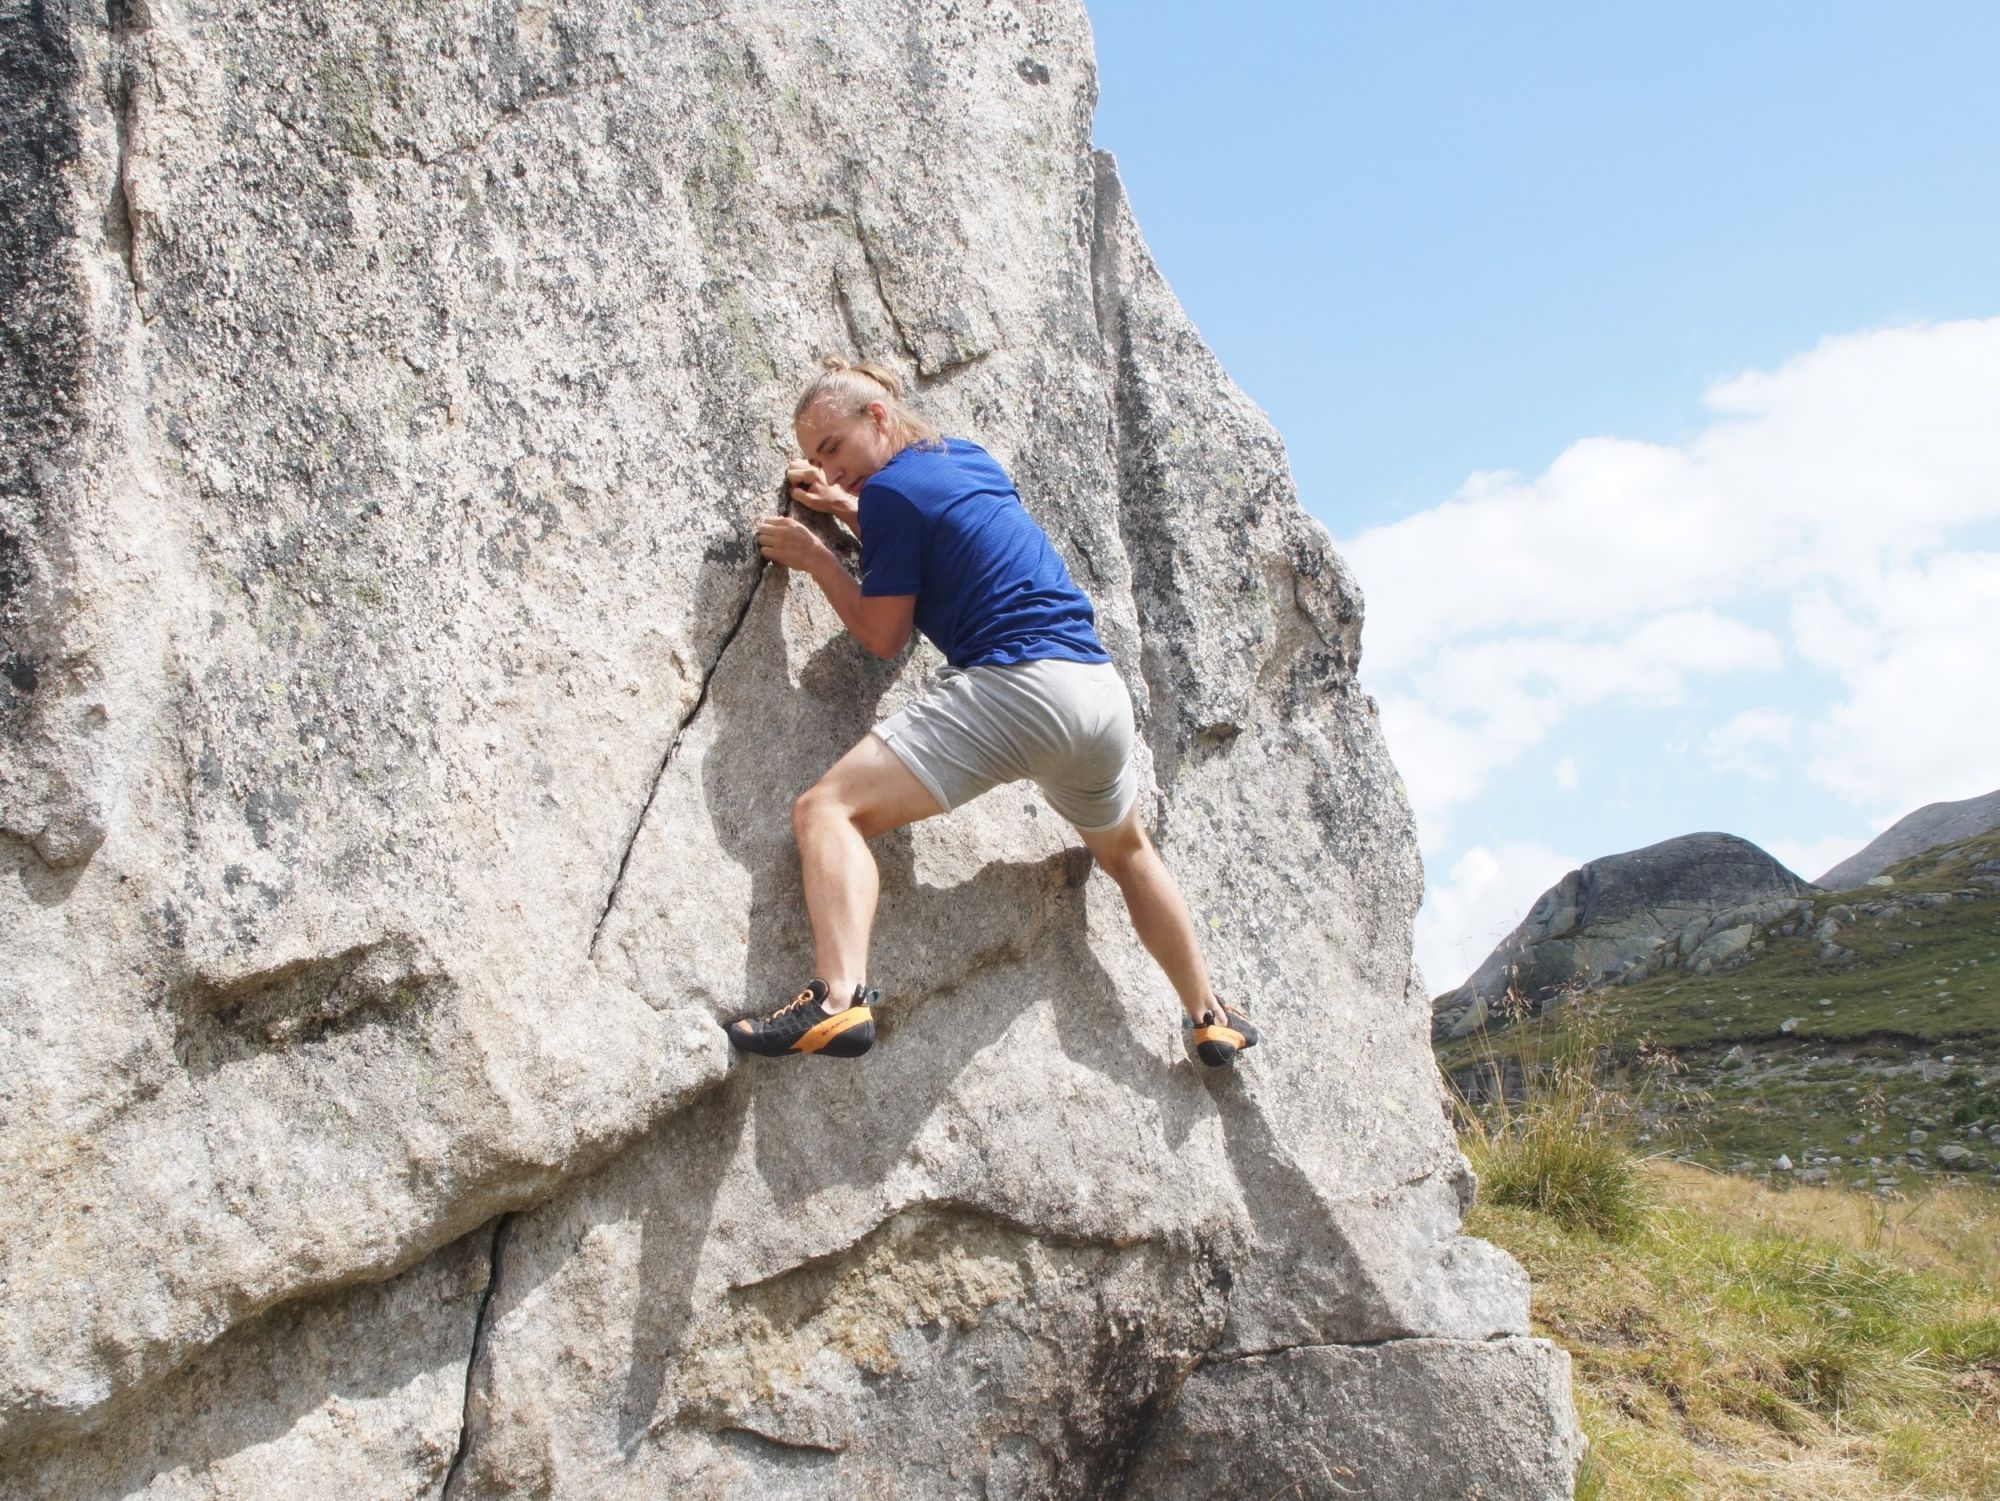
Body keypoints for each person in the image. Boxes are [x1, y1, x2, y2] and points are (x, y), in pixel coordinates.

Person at [727, 355, 1258, 1068]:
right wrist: (845, 507)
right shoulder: (963, 457)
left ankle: (837, 1000)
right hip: (1097, 694)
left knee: (826, 810)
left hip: (1021, 688)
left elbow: (884, 637)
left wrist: (814, 554)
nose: (830, 466)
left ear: (877, 416)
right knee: (1129, 853)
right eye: (815, 457)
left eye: (833, 449)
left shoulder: (888, 495)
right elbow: (939, 527)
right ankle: (1209, 1014)